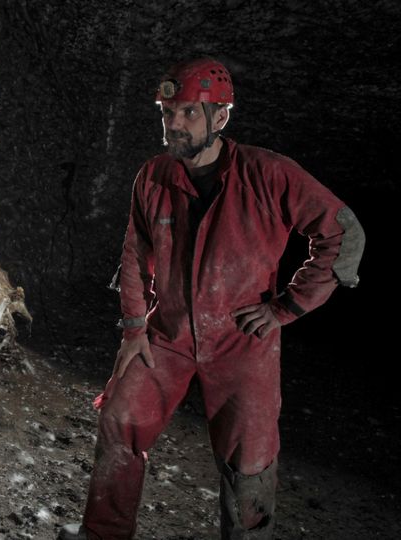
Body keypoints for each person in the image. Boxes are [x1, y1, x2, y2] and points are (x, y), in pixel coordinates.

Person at [61, 58, 366, 539]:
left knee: (249, 461)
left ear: (220, 117)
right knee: (120, 417)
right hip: (168, 334)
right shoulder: (154, 175)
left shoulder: (267, 173)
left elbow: (343, 233)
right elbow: (136, 253)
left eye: (188, 112)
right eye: (168, 112)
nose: (174, 123)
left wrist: (287, 307)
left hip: (241, 340)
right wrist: (134, 328)